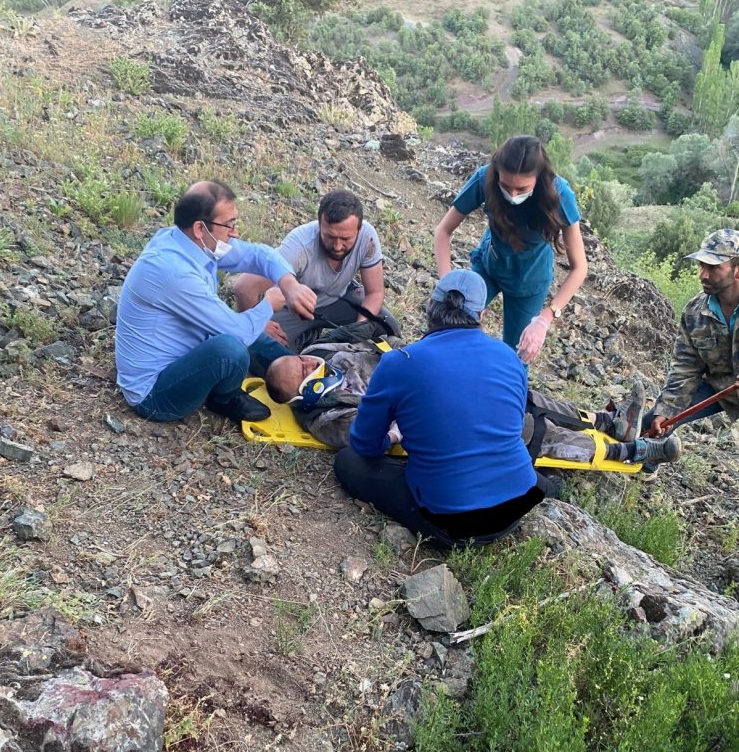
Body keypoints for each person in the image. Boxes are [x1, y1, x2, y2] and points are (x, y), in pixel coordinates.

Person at [268, 272, 679, 548]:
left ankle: (618, 445)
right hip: (518, 506)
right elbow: (511, 421)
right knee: (517, 434)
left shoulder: (399, 364)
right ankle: (622, 449)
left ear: (430, 308)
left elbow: (365, 446)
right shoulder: (508, 358)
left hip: (453, 526)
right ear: (481, 315)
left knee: (349, 465)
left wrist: (399, 430)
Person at [266, 322, 681, 468]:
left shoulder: (327, 354)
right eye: (303, 371)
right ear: (304, 393)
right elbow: (380, 436)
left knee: (527, 396)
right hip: (443, 416)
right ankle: (635, 453)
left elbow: (382, 344)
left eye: (302, 360)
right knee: (532, 433)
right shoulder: (330, 419)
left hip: (439, 382)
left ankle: (612, 423)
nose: (308, 363)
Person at [114, 179, 317, 424]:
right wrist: (268, 305)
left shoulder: (189, 242)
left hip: (188, 350)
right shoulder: (173, 271)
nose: (235, 233)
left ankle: (306, 376)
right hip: (156, 392)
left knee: (259, 335)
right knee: (231, 349)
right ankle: (224, 399)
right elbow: (236, 333)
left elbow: (259, 254)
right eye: (229, 225)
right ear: (200, 228)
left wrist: (289, 284)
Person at [433, 134, 587, 362]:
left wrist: (545, 319)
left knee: (516, 357)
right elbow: (443, 231)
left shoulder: (560, 194)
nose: (512, 195)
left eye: (522, 188)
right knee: (448, 328)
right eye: (506, 186)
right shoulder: (484, 179)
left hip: (530, 281)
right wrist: (448, 284)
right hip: (489, 267)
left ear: (538, 178)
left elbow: (580, 268)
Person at [231, 189, 400, 351]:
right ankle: (308, 337)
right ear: (319, 225)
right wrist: (259, 325)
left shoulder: (367, 236)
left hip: (339, 298)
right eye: (330, 236)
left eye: (346, 239)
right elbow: (244, 287)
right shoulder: (299, 247)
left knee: (386, 324)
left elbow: (374, 293)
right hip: (293, 310)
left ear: (359, 229)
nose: (337, 246)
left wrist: (359, 328)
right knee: (266, 353)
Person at [644, 229, 739, 440]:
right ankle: (648, 461)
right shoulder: (694, 312)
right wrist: (666, 410)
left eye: (713, 268)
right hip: (718, 386)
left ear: (737, 270)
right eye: (701, 265)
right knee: (653, 423)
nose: (703, 275)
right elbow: (685, 367)